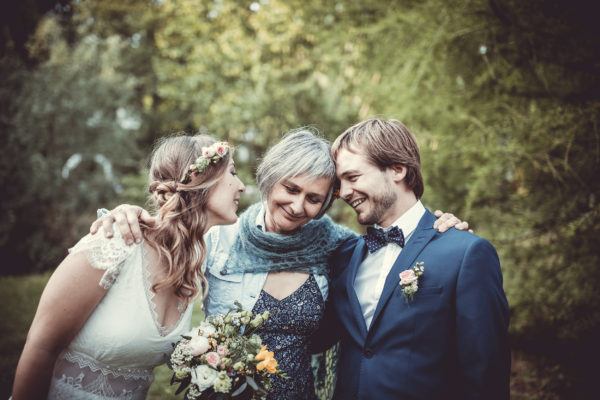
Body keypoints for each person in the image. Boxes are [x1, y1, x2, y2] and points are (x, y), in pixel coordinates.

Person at [91, 128, 470, 399]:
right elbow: (168, 235)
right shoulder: (218, 239)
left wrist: (440, 227)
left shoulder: (338, 248)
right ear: (270, 180)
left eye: (314, 199)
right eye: (291, 189)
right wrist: (124, 214)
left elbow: (396, 252)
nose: (298, 206)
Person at [11, 135, 245, 400]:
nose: (242, 186)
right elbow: (41, 346)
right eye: (233, 173)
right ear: (201, 180)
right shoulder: (115, 243)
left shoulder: (191, 261)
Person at [313, 118, 510, 399]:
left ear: (397, 169)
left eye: (352, 178)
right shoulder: (343, 256)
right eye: (339, 183)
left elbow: (486, 374)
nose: (343, 193)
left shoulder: (465, 253)